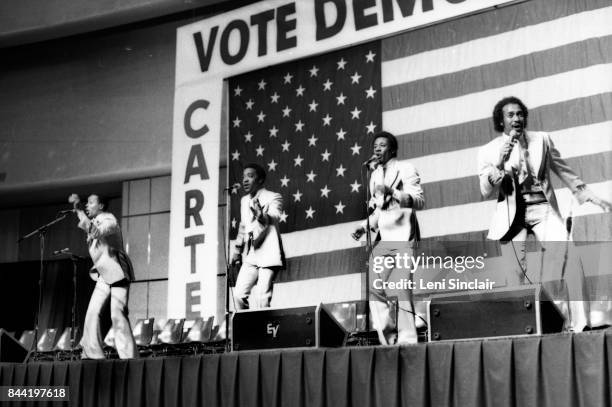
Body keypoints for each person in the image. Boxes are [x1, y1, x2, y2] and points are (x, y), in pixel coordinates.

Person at [477, 96, 611, 331]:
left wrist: (586, 193)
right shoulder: (488, 150)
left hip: (543, 208)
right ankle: (523, 328)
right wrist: (499, 163)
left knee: (569, 257)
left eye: (520, 114)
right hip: (511, 216)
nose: (517, 118)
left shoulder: (542, 139)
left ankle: (580, 324)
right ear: (501, 121)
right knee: (515, 273)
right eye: (510, 115)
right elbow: (485, 190)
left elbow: (562, 169)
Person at [351, 131, 424, 345]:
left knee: (401, 286)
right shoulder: (375, 176)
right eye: (375, 146)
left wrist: (392, 191)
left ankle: (408, 340)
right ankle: (388, 337)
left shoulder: (406, 168)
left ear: (392, 149)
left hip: (404, 237)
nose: (376, 149)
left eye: (382, 145)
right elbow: (379, 211)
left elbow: (418, 201)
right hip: (385, 239)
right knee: (374, 286)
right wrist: (364, 227)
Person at [68, 193, 137, 359]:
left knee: (117, 314)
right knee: (92, 312)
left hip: (118, 270)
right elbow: (88, 226)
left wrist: (80, 212)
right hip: (104, 274)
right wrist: (78, 210)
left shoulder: (109, 219)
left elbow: (99, 231)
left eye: (91, 202)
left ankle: (129, 357)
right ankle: (93, 354)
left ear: (101, 206)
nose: (87, 205)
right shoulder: (94, 221)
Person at [231, 163, 285, 310]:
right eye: (244, 177)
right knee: (238, 294)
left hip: (268, 251)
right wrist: (237, 251)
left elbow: (275, 216)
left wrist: (262, 216)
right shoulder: (244, 201)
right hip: (252, 253)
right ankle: (248, 329)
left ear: (260, 180)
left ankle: (263, 332)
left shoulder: (273, 197)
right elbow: (243, 226)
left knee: (262, 297)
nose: (245, 180)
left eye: (250, 176)